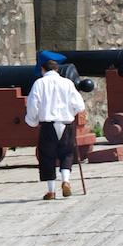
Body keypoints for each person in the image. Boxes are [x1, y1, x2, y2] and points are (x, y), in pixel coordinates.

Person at [25, 53, 85, 200]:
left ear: (43, 70)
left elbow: (33, 105)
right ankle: (66, 181)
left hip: (48, 124)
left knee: (47, 156)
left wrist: (32, 121)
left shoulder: (39, 83)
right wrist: (69, 112)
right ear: (57, 70)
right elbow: (80, 106)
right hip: (66, 123)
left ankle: (51, 191)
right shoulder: (68, 83)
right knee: (67, 153)